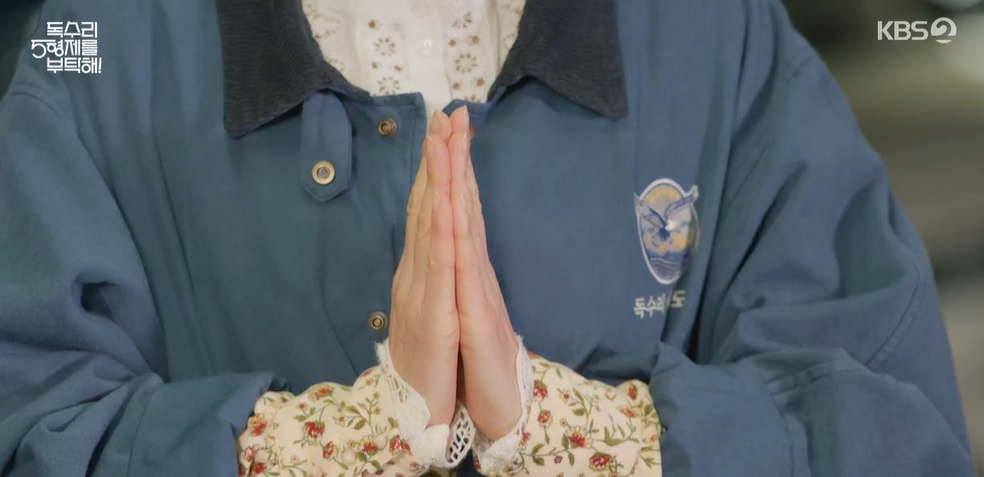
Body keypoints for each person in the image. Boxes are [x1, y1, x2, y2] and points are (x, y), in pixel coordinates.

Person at [0, 0, 974, 476]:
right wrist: (339, 442)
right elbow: (29, 424)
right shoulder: (95, 51)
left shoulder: (717, 33)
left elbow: (895, 432)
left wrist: (569, 434)